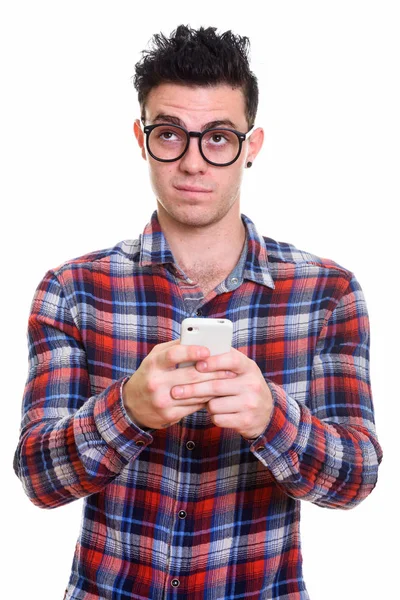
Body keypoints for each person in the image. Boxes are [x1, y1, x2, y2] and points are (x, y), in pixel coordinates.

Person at [14, 25, 383, 600]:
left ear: (251, 146)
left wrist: (272, 418)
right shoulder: (73, 289)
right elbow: (37, 479)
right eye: (170, 134)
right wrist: (127, 409)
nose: (192, 162)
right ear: (142, 138)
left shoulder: (327, 292)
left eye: (217, 137)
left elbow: (357, 478)